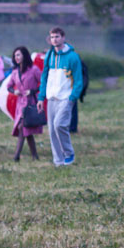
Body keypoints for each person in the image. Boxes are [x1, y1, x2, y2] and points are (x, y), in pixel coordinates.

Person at [37, 27, 83, 166]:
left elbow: (78, 79)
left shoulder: (72, 56)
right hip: (51, 98)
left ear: (63, 38)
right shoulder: (50, 56)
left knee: (59, 125)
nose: (54, 39)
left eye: (57, 36)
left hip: (66, 97)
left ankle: (68, 153)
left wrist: (72, 97)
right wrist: (41, 97)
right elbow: (44, 77)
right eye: (52, 37)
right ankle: (59, 161)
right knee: (52, 131)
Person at [8, 46, 43, 161]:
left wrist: (33, 91)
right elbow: (9, 87)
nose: (16, 57)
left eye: (18, 55)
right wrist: (14, 91)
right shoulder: (14, 72)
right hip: (20, 104)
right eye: (15, 55)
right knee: (26, 129)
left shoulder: (34, 69)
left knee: (22, 127)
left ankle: (16, 156)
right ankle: (35, 156)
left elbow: (43, 83)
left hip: (31, 102)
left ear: (24, 55)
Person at [69, 59, 89, 133]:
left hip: (73, 88)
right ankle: (72, 128)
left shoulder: (75, 61)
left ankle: (72, 128)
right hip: (72, 87)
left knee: (73, 108)